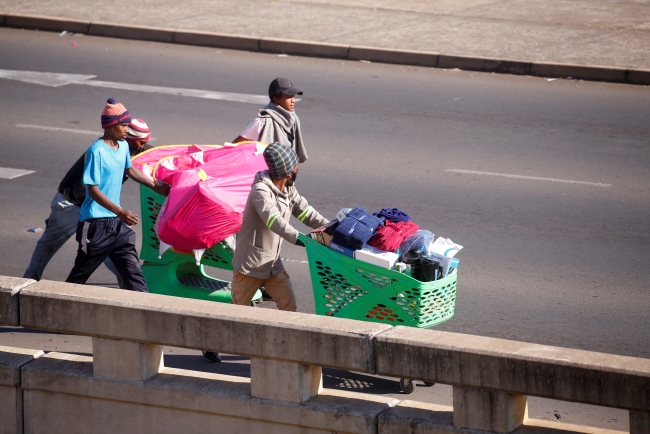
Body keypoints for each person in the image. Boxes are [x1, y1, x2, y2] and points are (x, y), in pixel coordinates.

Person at [202, 142, 328, 364]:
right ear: (288, 171)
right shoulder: (261, 192)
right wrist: (300, 239)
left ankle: (285, 347)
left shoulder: (287, 188)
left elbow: (306, 212)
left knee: (288, 303)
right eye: (295, 167)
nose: (297, 170)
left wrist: (331, 228)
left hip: (272, 263)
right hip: (251, 264)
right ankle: (209, 344)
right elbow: (273, 220)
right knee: (236, 313)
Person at [23, 117, 157, 287]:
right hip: (72, 205)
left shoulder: (129, 147)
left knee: (123, 268)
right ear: (127, 137)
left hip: (103, 216)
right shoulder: (100, 151)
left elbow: (156, 155)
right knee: (48, 249)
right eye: (141, 143)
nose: (143, 147)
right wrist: (120, 212)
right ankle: (26, 285)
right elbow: (93, 191)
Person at [64, 98, 168, 292]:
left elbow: (130, 170)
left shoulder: (122, 148)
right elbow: (93, 190)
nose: (127, 131)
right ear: (111, 126)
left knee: (135, 278)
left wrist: (155, 185)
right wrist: (120, 212)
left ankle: (145, 313)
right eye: (124, 126)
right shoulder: (96, 151)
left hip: (117, 227)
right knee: (77, 280)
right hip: (95, 226)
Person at [233, 77, 308, 163]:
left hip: (286, 172)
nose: (293, 101)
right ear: (276, 99)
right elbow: (235, 146)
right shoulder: (261, 122)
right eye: (288, 97)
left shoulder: (293, 119)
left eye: (293, 97)